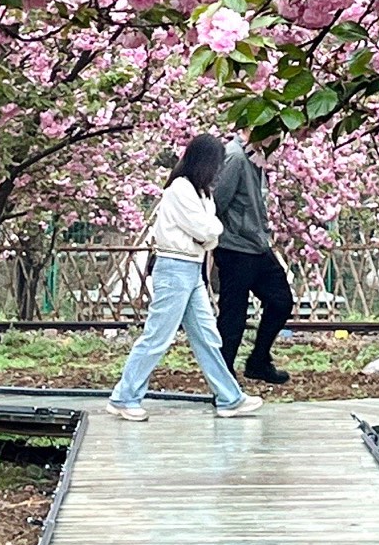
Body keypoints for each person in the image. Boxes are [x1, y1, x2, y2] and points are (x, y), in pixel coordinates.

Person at [108, 135, 264, 421]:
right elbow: (207, 230)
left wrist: (209, 234)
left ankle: (229, 398)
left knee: (207, 335)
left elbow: (209, 231)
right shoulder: (180, 189)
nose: (219, 169)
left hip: (191, 268)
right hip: (174, 267)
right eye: (216, 163)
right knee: (158, 335)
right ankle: (124, 396)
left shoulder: (200, 192)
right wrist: (209, 234)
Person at [212, 131, 294, 384]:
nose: (275, 139)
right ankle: (223, 380)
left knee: (281, 301)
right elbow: (217, 202)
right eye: (272, 133)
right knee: (233, 315)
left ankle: (258, 360)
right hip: (235, 247)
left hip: (257, 245)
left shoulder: (255, 157)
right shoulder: (234, 157)